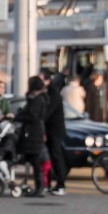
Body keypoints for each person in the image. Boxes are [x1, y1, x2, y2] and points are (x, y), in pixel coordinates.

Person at [15, 76, 48, 197]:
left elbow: (32, 116)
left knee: (34, 160)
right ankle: (38, 186)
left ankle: (39, 187)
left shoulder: (37, 100)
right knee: (33, 160)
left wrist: (17, 117)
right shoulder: (38, 99)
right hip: (34, 133)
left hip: (33, 134)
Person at [40, 67, 68, 195]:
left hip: (55, 130)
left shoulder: (54, 94)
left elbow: (47, 112)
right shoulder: (44, 92)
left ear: (47, 80)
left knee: (56, 156)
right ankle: (48, 183)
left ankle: (60, 184)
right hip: (48, 129)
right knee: (49, 156)